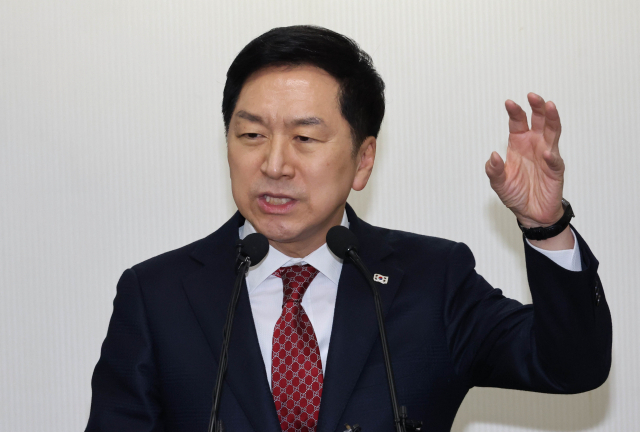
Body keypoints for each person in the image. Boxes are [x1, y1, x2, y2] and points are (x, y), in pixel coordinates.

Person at [85, 25, 611, 432]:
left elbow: (571, 367)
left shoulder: (433, 280)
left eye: (305, 139)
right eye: (251, 135)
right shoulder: (157, 295)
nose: (274, 164)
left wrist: (545, 227)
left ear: (363, 160)